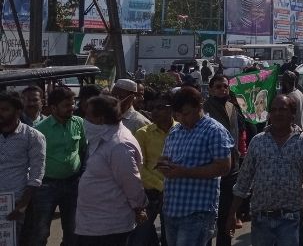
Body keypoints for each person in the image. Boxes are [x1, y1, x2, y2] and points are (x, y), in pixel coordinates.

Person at [228, 94, 303, 246]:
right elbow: (243, 180)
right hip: (260, 219)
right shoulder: (258, 141)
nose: (278, 113)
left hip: (290, 219)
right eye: (274, 110)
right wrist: (233, 213)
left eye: (283, 109)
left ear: (292, 114)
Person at [160, 86, 234, 246]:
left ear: (199, 106)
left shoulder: (214, 130)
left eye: (186, 114)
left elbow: (224, 167)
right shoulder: (176, 131)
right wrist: (164, 165)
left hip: (197, 211)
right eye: (177, 115)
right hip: (172, 209)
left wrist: (183, 172)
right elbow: (165, 159)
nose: (181, 119)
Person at [74, 95, 147, 245]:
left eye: (88, 116)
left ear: (100, 119)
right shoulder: (102, 137)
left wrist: (139, 208)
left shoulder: (119, 145)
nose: (85, 120)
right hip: (93, 224)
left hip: (109, 227)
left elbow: (131, 183)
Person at [29, 86, 85, 246]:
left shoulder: (79, 123)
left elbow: (83, 150)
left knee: (73, 230)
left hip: (73, 184)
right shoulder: (39, 130)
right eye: (67, 105)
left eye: (73, 104)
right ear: (53, 108)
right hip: (46, 187)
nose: (72, 108)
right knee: (41, 231)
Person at [132, 88, 176, 246]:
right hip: (149, 193)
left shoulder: (181, 131)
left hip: (174, 193)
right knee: (140, 236)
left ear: (171, 109)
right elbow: (138, 167)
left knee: (169, 237)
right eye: (153, 108)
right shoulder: (142, 133)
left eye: (160, 107)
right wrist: (160, 185)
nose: (154, 112)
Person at [0, 91, 46, 239]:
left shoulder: (32, 136)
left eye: (5, 109)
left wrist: (22, 205)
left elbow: (37, 172)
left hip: (15, 204)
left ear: (18, 111)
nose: (0, 113)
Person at [203, 75, 243, 246]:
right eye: (218, 86)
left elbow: (238, 133)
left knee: (227, 219)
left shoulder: (232, 107)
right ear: (211, 89)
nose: (222, 89)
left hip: (231, 169)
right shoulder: (204, 109)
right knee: (207, 221)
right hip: (211, 170)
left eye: (225, 86)